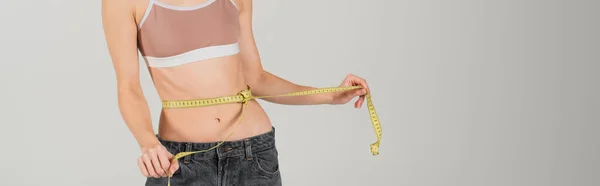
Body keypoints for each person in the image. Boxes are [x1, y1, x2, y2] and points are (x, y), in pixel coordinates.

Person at [101, 0, 371, 185]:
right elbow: (128, 86)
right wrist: (148, 143)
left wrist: (329, 95)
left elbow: (256, 79)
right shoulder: (124, 3)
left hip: (253, 154)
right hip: (179, 163)